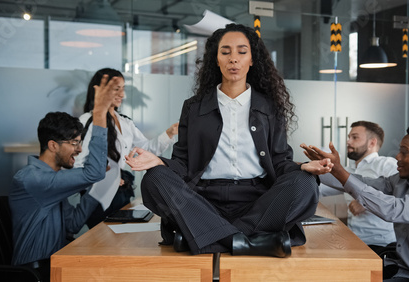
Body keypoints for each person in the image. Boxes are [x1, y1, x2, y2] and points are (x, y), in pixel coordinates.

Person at [125, 23, 333, 258]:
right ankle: (249, 241)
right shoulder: (194, 107)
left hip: (257, 201)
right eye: (225, 52)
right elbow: (182, 164)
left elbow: (279, 162)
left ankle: (208, 238)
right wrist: (158, 161)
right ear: (216, 59)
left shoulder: (270, 107)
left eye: (242, 52)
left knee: (305, 183)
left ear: (252, 60)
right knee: (154, 178)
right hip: (203, 202)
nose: (233, 59)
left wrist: (302, 167)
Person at [301, 121, 409, 281]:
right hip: (402, 270)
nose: (397, 156)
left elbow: (393, 210)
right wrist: (306, 167)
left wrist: (340, 172)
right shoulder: (402, 181)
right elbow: (363, 183)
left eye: (404, 152)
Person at [9, 75, 119, 281]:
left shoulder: (53, 178)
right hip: (34, 273)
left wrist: (100, 187)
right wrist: (99, 113)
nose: (78, 150)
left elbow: (73, 225)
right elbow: (93, 172)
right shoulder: (33, 180)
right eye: (74, 143)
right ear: (53, 145)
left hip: (56, 263)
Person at [74, 68, 178, 228]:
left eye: (123, 89)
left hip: (122, 193)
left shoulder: (125, 122)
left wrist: (170, 133)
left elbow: (146, 150)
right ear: (100, 90)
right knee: (101, 242)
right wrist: (108, 179)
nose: (122, 95)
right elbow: (78, 163)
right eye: (117, 89)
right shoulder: (87, 120)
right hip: (98, 196)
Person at [319, 121, 397, 252]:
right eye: (349, 137)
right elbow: (320, 188)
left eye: (355, 137)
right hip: (354, 241)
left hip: (381, 244)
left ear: (372, 142)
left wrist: (367, 202)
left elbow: (404, 192)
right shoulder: (347, 171)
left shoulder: (387, 164)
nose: (348, 142)